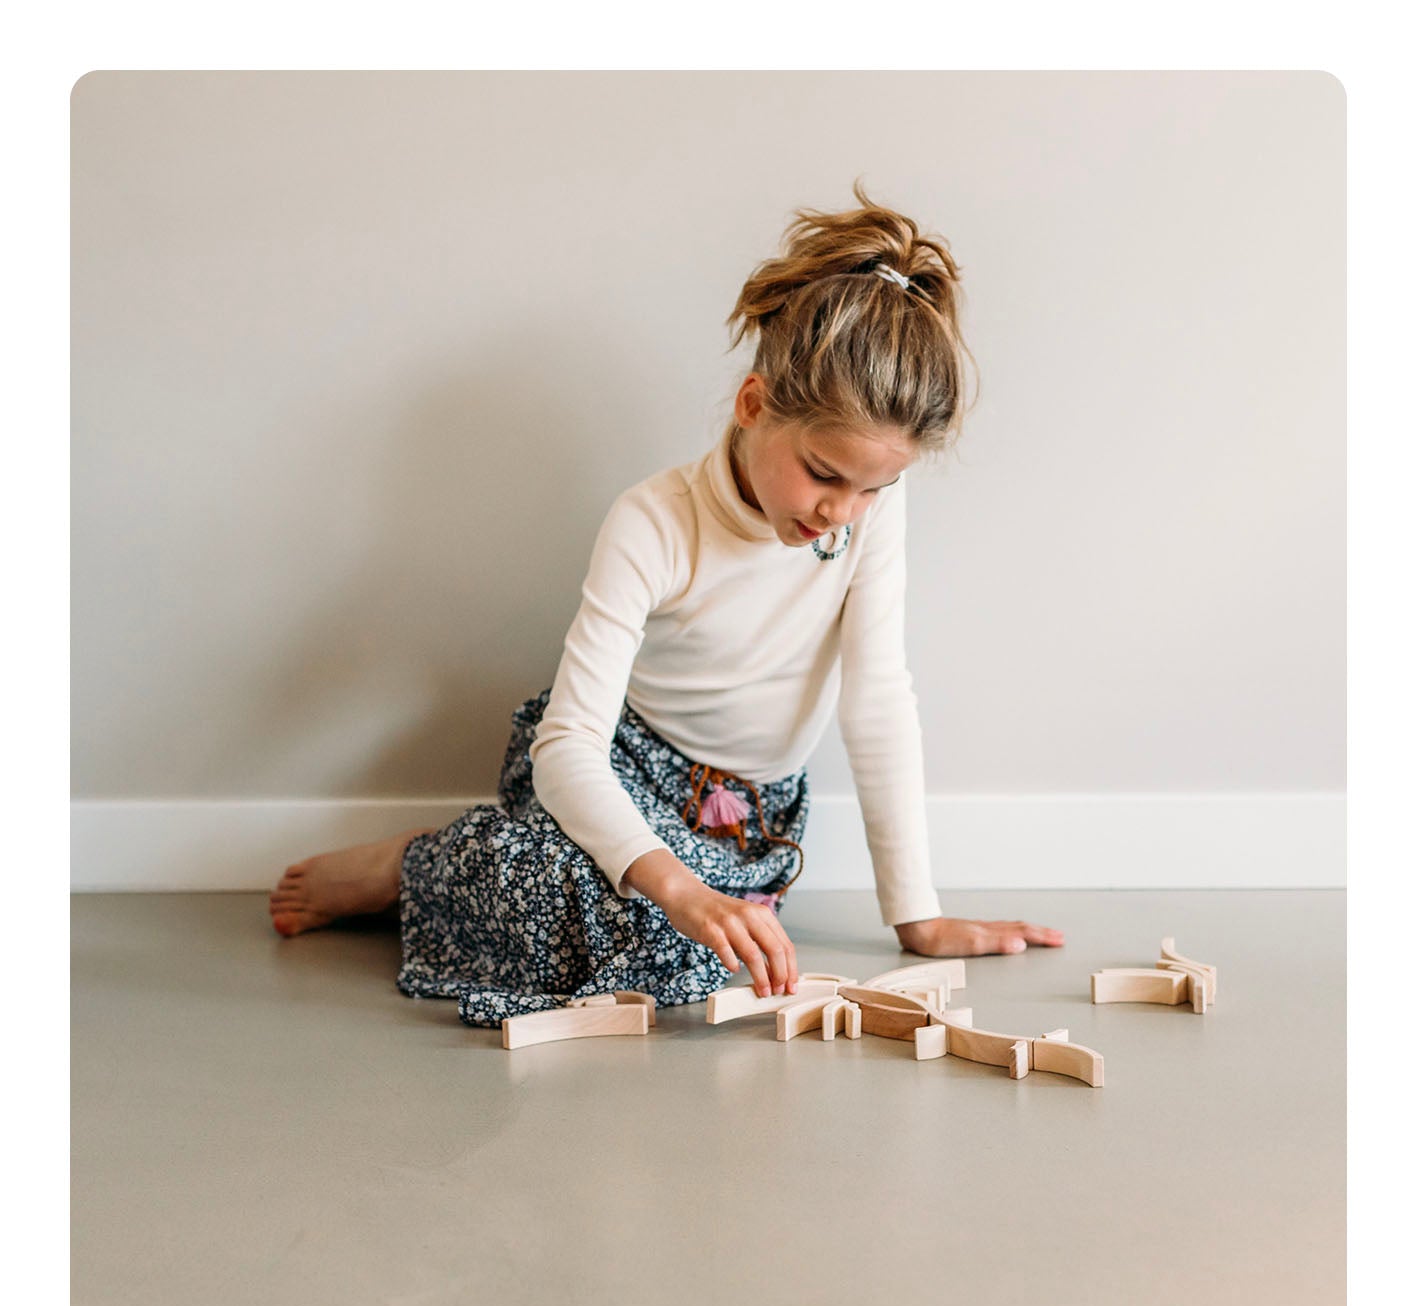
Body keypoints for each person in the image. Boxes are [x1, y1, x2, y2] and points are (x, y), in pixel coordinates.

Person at [268, 178, 1065, 1027]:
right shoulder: (653, 522)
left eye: (875, 488)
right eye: (824, 475)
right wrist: (679, 890)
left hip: (744, 821)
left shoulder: (865, 514)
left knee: (695, 955)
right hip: (621, 770)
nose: (843, 511)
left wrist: (917, 915)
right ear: (753, 405)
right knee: (644, 920)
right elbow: (567, 745)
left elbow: (876, 699)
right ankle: (415, 866)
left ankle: (564, 880)